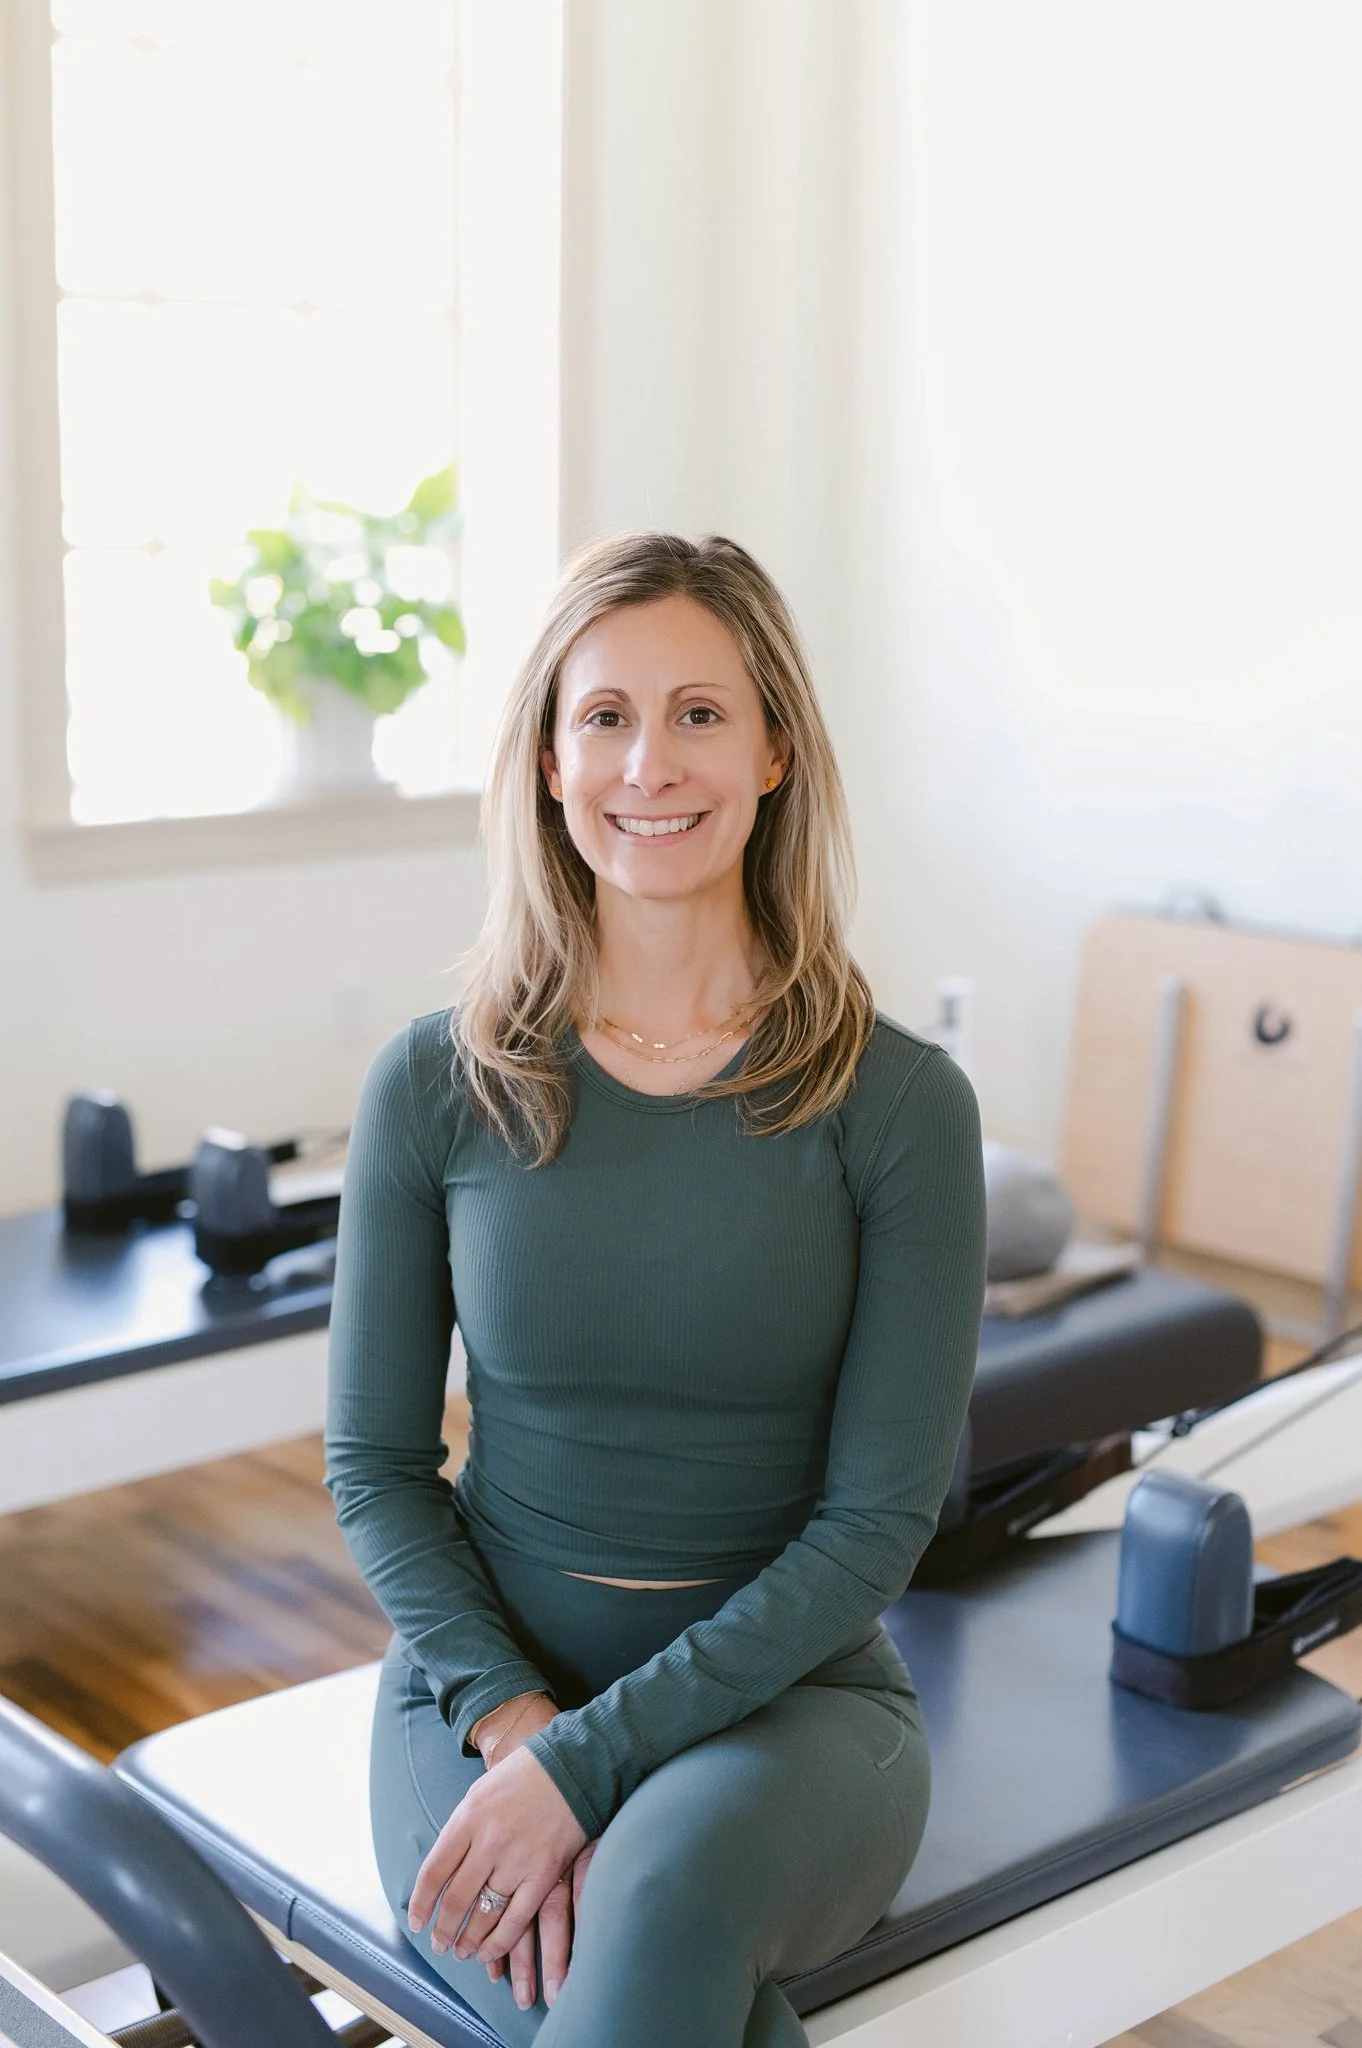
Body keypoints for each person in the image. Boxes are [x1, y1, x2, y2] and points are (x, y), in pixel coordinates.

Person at [325, 531, 987, 2047]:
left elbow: (877, 1523)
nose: (650, 763)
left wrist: (592, 1766)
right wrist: (521, 1733)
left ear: (773, 754)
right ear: (549, 764)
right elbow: (373, 1466)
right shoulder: (434, 1085)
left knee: (666, 1893)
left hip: (793, 1713)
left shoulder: (896, 1105)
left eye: (700, 713)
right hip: (481, 1696)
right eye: (605, 716)